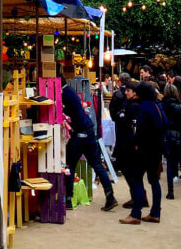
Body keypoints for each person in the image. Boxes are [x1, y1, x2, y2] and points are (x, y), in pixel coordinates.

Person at [62, 83, 118, 211]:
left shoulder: (64, 93)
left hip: (80, 133)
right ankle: (110, 197)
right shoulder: (70, 91)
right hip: (89, 131)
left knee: (69, 164)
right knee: (97, 164)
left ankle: (69, 199)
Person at [121, 82, 165, 224]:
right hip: (156, 149)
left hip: (144, 149)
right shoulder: (155, 106)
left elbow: (140, 129)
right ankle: (155, 212)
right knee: (154, 181)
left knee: (137, 179)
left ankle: (136, 213)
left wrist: (135, 143)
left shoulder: (144, 107)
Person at [114, 81, 142, 217]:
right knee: (128, 170)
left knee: (129, 170)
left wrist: (122, 117)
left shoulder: (134, 106)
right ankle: (137, 196)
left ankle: (138, 198)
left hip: (128, 143)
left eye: (129, 91)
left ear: (135, 92)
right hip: (127, 141)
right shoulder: (130, 103)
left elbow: (126, 121)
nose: (126, 92)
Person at [161, 82, 181, 197]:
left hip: (167, 135)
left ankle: (170, 190)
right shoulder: (180, 106)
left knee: (170, 163)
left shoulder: (161, 106)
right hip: (180, 135)